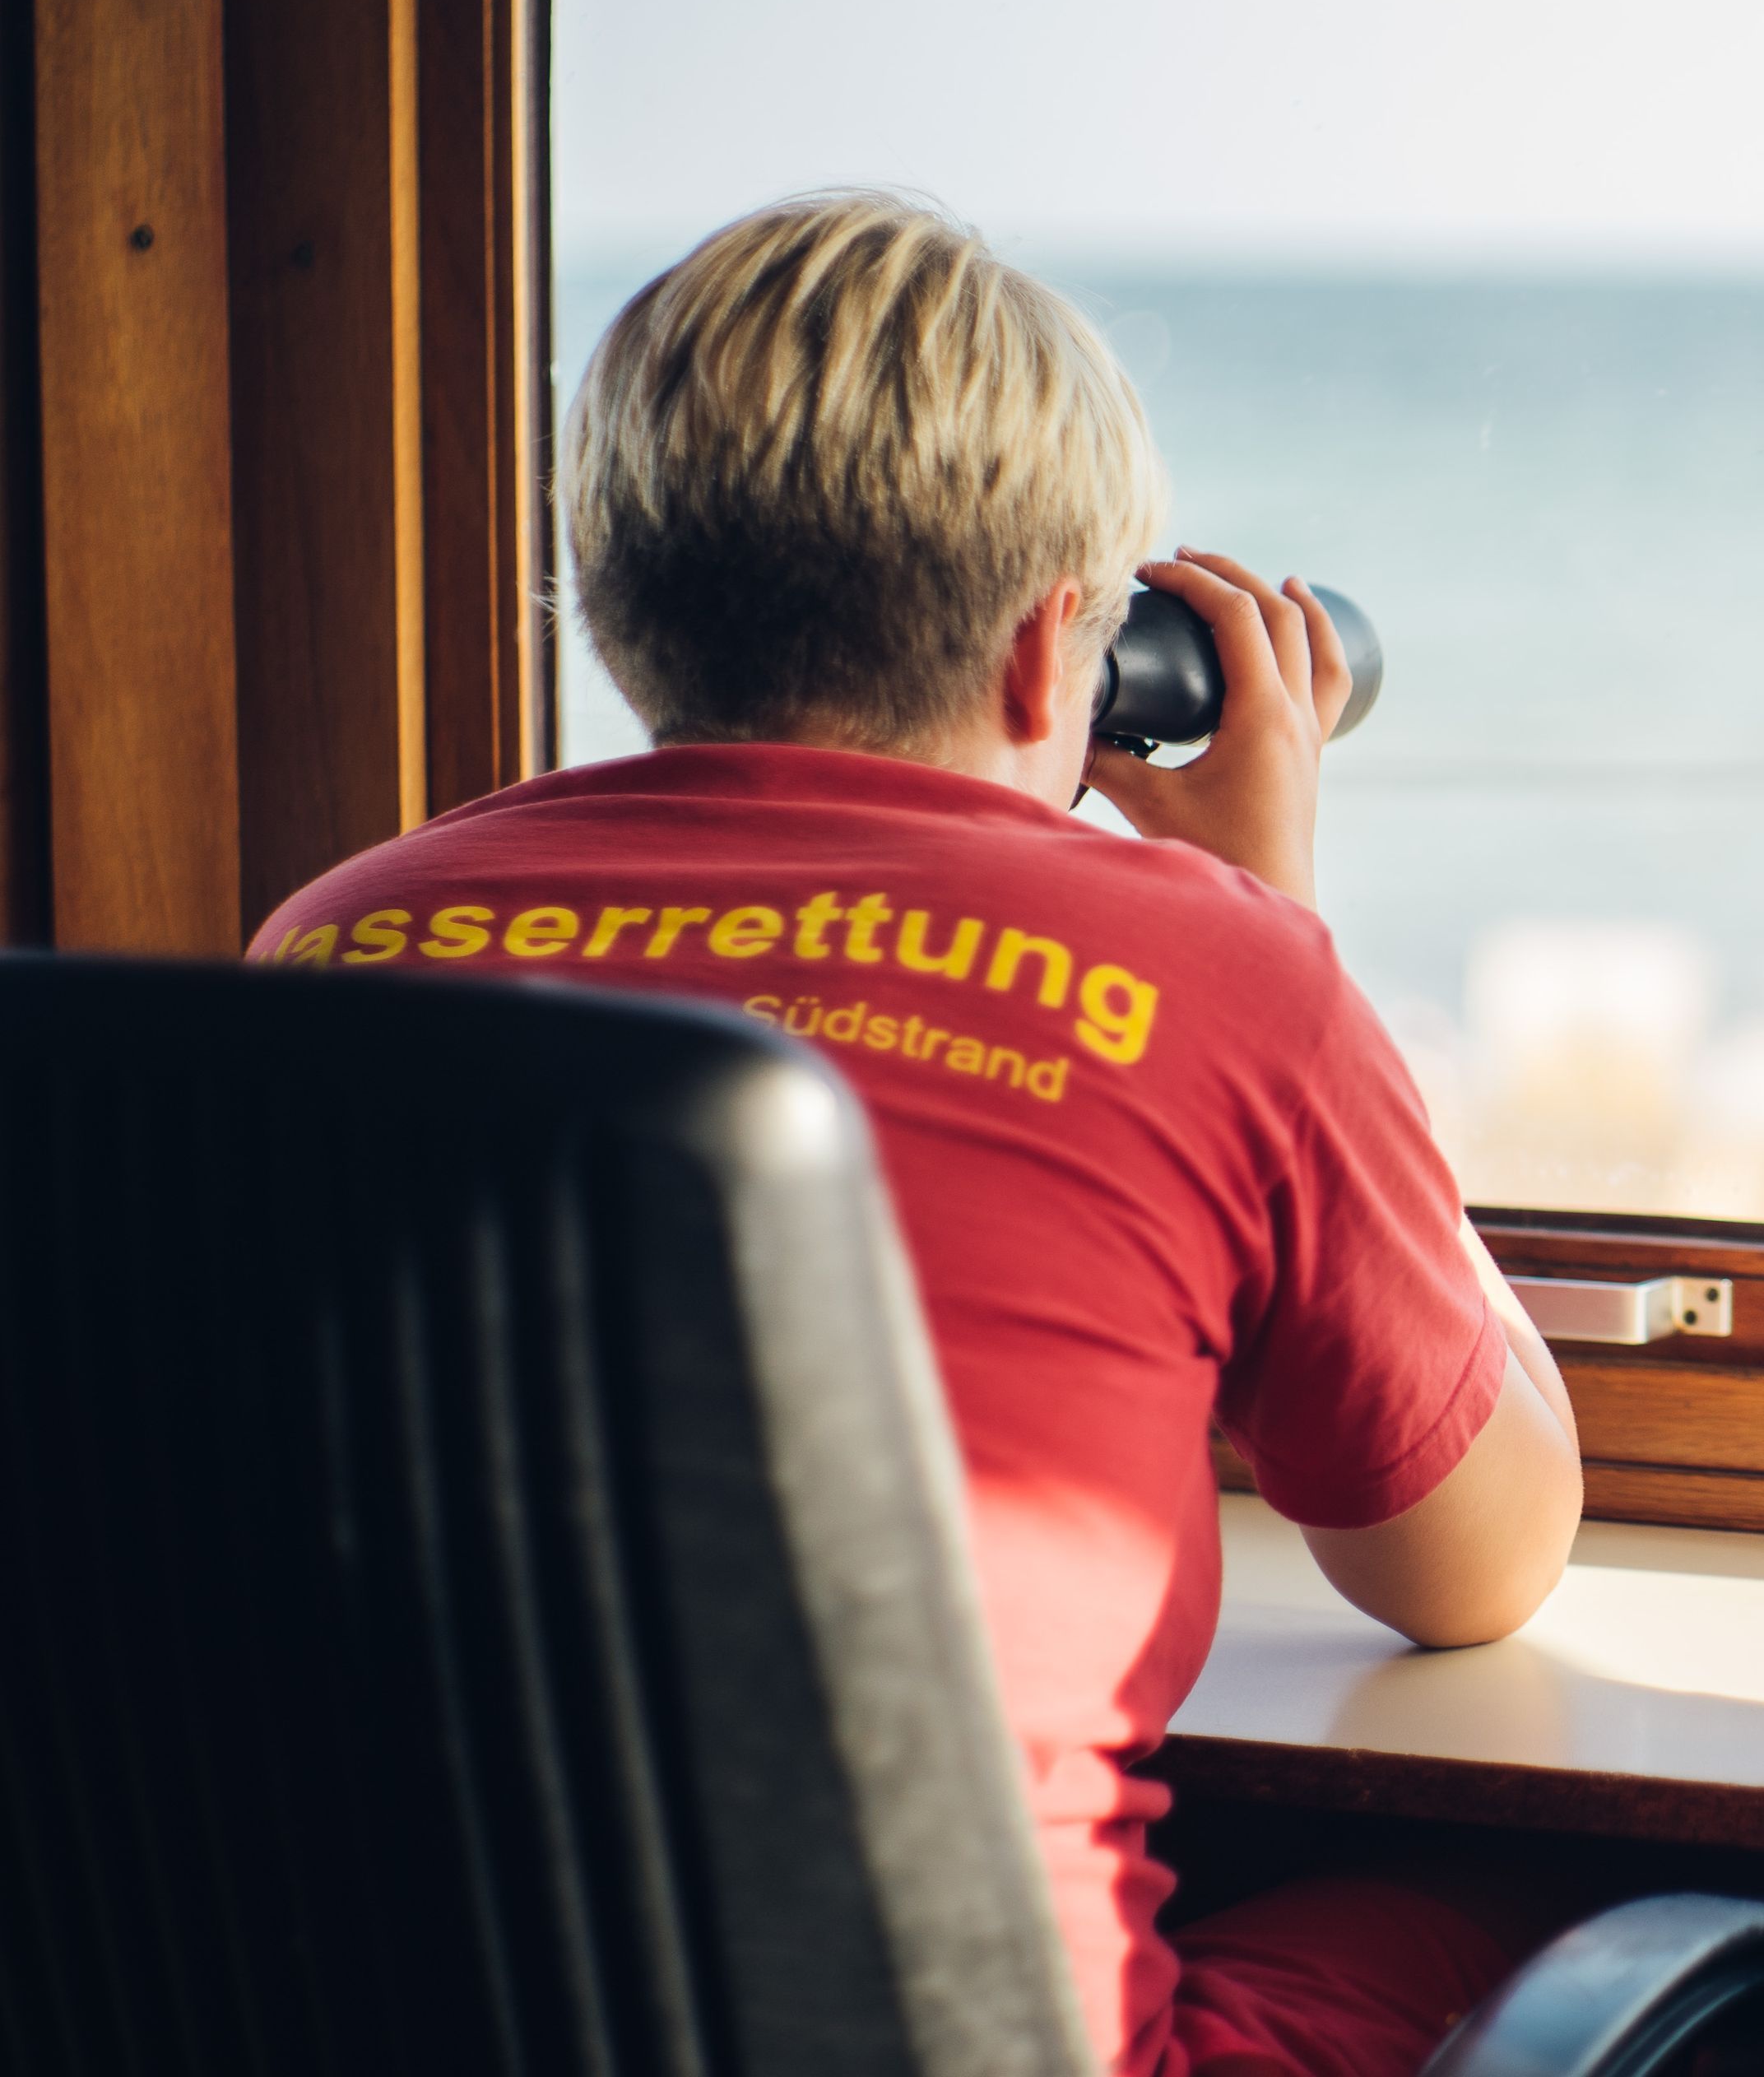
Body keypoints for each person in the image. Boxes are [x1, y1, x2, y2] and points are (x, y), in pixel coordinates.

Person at [249, 193, 1586, 2077]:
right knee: (1544, 1919)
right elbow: (1473, 1571)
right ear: (1071, 657)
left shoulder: (336, 937)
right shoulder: (1213, 974)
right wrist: (1283, 934)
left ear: (625, 614)